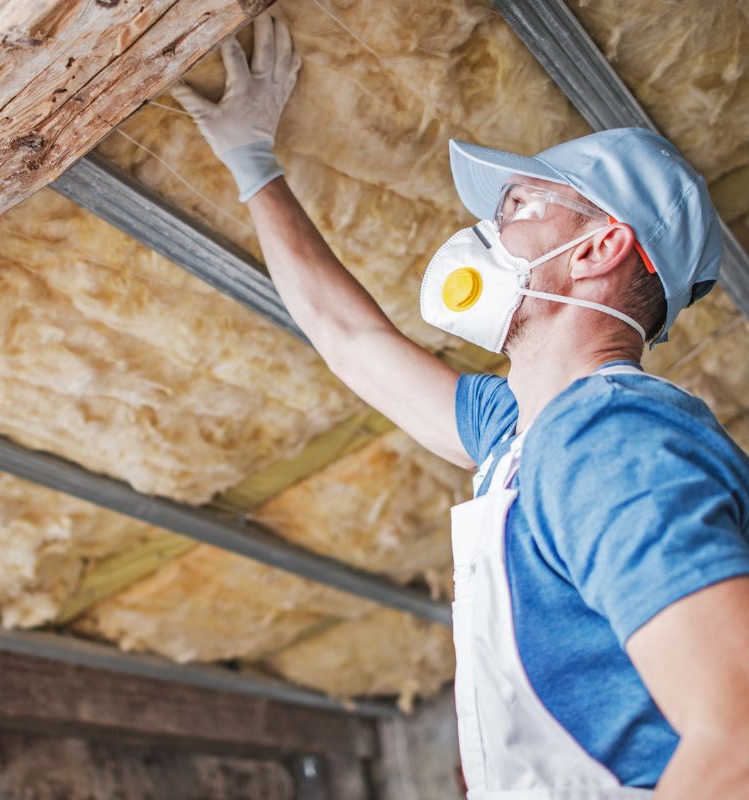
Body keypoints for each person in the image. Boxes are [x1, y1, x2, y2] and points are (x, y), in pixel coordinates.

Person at [173, 14, 749, 798]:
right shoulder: (524, 438)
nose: (484, 233)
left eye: (516, 208)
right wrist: (252, 164)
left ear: (597, 249)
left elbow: (738, 735)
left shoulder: (610, 441)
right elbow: (350, 340)